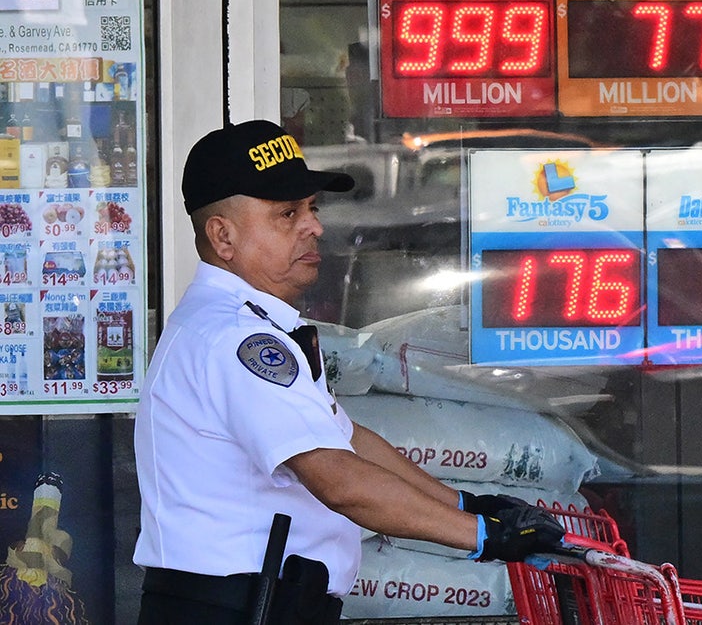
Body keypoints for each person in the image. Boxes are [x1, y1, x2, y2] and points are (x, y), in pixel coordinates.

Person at [133, 120, 564, 624]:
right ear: (222, 236)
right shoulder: (236, 340)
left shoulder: (250, 325)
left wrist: (468, 502)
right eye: (286, 213)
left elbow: (348, 441)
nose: (313, 226)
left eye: (311, 208)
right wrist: (484, 538)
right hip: (232, 609)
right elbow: (340, 481)